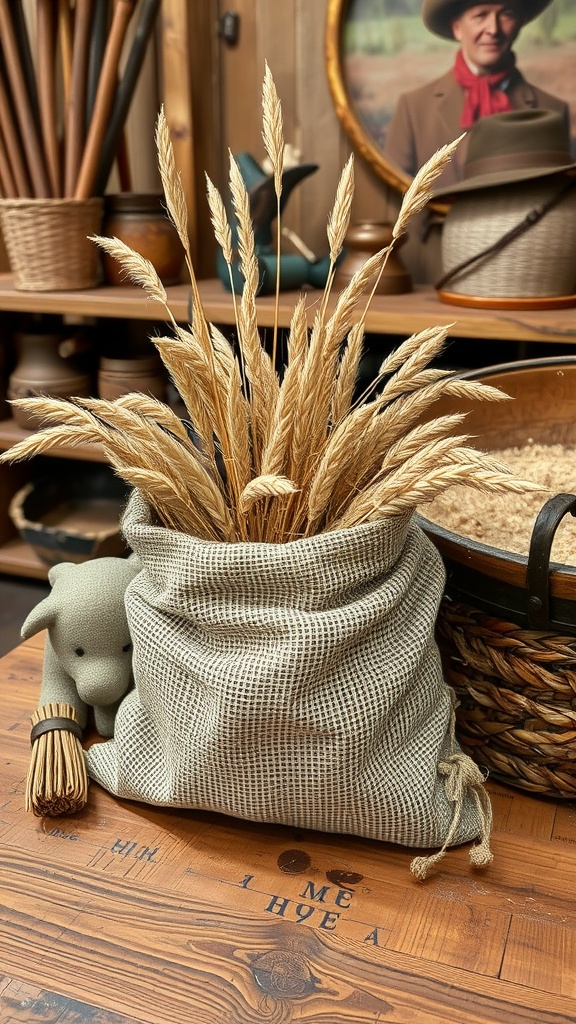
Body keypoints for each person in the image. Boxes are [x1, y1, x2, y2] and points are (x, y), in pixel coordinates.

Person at [384, 1, 570, 189]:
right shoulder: (413, 108)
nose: (493, 29)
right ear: (457, 28)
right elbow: (396, 199)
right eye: (480, 15)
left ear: (519, 23)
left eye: (506, 14)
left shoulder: (553, 111)